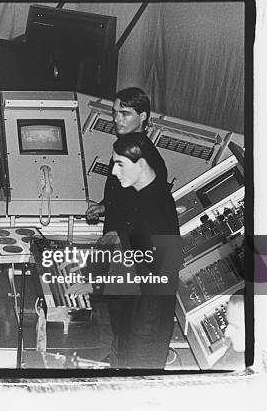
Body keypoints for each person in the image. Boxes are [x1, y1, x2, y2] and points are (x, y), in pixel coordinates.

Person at [104, 133, 183, 368]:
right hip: (137, 309)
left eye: (120, 165)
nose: (114, 172)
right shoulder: (146, 195)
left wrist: (93, 279)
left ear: (140, 164)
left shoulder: (155, 207)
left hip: (147, 316)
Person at [85, 87, 168, 233]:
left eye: (125, 114)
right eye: (115, 113)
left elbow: (142, 210)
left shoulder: (145, 157)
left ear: (142, 117)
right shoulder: (126, 148)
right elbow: (125, 196)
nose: (117, 119)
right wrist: (104, 207)